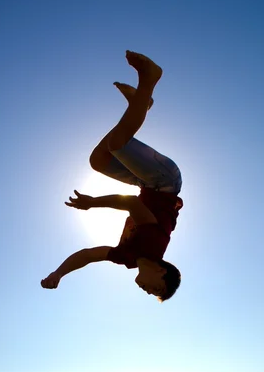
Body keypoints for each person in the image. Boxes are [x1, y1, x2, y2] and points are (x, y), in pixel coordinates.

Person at [41, 51, 183, 302]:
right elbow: (130, 203)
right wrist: (91, 203)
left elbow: (87, 255)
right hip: (165, 181)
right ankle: (149, 80)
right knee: (117, 143)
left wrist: (58, 273)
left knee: (98, 161)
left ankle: (140, 103)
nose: (149, 292)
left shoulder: (126, 257)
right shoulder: (153, 246)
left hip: (146, 184)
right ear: (162, 271)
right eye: (157, 289)